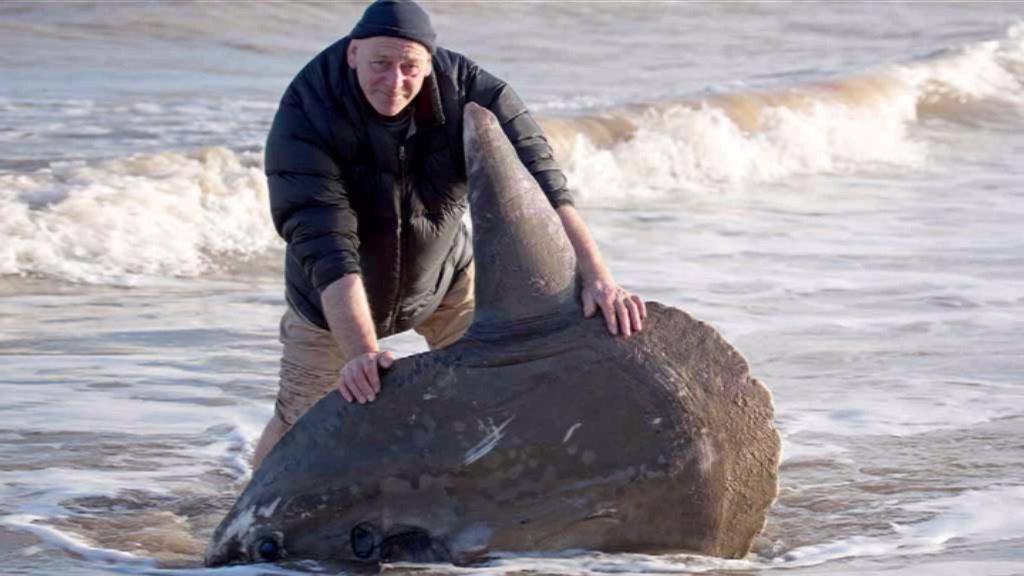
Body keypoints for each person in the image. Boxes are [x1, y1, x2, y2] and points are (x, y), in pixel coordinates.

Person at [253, 0, 646, 469]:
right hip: (330, 304)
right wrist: (361, 353)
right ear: (353, 54)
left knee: (503, 398)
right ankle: (241, 526)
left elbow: (543, 185)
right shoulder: (307, 112)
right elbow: (326, 245)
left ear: (430, 62)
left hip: (444, 282)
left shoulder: (471, 92)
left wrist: (599, 277)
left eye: (409, 68)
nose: (394, 81)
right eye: (380, 64)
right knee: (304, 429)